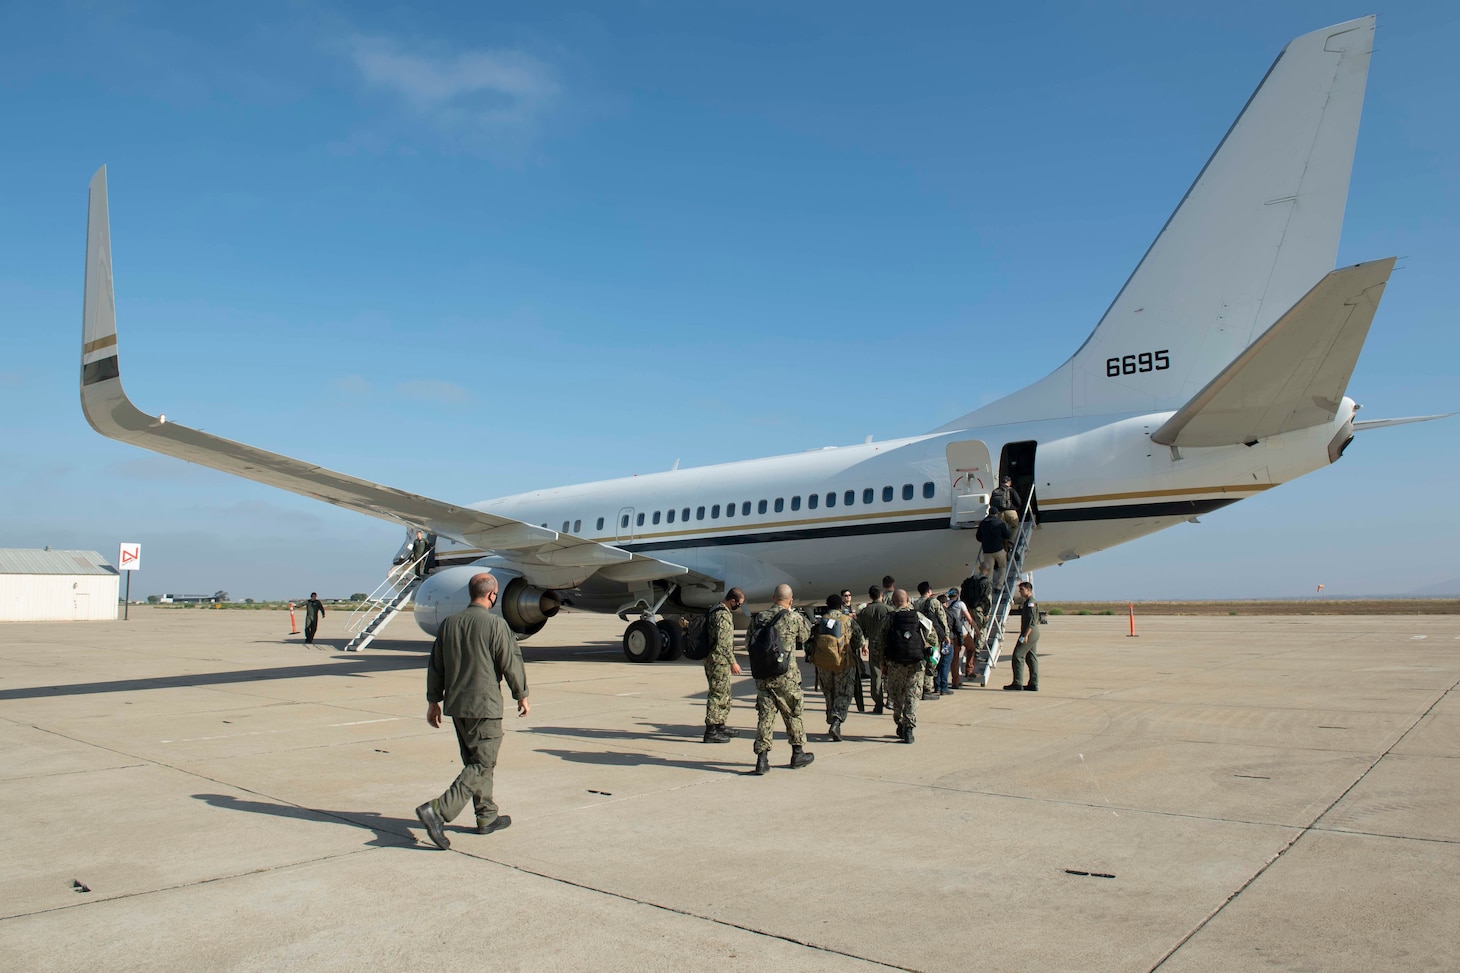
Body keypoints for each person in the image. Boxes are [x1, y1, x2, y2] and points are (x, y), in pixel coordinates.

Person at [414, 573, 529, 850]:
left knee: (476, 762)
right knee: (482, 764)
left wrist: (433, 701)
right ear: (492, 595)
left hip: (457, 707)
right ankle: (438, 811)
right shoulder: (495, 624)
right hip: (485, 707)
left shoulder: (449, 624)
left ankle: (486, 816)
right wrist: (521, 694)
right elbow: (510, 661)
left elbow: (436, 666)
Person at [747, 584, 815, 774]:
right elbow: (805, 636)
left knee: (765, 717)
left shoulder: (759, 617)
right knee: (793, 713)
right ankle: (797, 753)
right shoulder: (793, 618)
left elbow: (748, 643)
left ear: (773, 597)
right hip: (786, 675)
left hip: (763, 675)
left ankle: (762, 759)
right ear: (790, 600)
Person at [809, 594, 866, 741]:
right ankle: (836, 720)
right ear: (841, 606)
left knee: (829, 692)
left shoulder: (820, 623)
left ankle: (830, 717)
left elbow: (810, 643)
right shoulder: (848, 621)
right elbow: (859, 641)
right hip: (843, 663)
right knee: (843, 693)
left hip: (823, 664)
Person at [880, 589, 934, 744]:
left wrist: (881, 663)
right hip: (916, 664)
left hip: (895, 664)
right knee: (912, 695)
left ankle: (899, 721)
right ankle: (909, 728)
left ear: (893, 602)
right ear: (908, 599)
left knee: (897, 696)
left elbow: (879, 642)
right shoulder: (919, 617)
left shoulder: (889, 618)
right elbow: (933, 638)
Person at [703, 587, 745, 744]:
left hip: (716, 659)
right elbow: (724, 643)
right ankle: (711, 730)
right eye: (738, 603)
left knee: (724, 693)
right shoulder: (722, 615)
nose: (739, 606)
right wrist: (733, 662)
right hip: (718, 660)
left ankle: (720, 724)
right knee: (717, 694)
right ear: (732, 600)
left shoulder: (715, 609)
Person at [855, 584, 890, 715]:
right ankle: (891, 698)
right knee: (891, 672)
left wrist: (863, 644)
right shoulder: (888, 609)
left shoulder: (865, 611)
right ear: (881, 595)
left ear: (870, 596)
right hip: (888, 645)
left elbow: (859, 631)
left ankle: (878, 703)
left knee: (876, 674)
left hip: (874, 645)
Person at [915, 582, 950, 699]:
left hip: (919, 635)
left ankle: (919, 687)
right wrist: (946, 635)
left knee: (921, 661)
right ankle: (927, 689)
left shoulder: (915, 603)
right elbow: (942, 618)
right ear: (929, 591)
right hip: (932, 636)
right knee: (931, 660)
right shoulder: (934, 602)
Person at [1004, 581, 1041, 692]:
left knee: (1017, 655)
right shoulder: (1029, 602)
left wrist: (1025, 635)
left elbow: (1031, 621)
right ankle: (1033, 683)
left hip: (1029, 632)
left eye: (1022, 589)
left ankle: (1017, 682)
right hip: (1033, 632)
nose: (1020, 592)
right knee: (1031, 657)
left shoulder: (1030, 603)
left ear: (1028, 590)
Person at [976, 509, 1012, 589]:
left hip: (987, 551)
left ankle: (989, 588)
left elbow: (978, 537)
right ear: (996, 514)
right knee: (1002, 566)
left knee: (989, 570)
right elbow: (1007, 535)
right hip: (998, 549)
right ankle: (999, 585)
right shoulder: (1000, 522)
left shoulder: (982, 523)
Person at [945, 589, 974, 689]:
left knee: (955, 659)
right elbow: (969, 619)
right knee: (971, 648)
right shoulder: (960, 604)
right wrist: (977, 631)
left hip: (952, 635)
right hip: (962, 633)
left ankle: (955, 682)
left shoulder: (945, 604)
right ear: (957, 595)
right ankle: (969, 670)